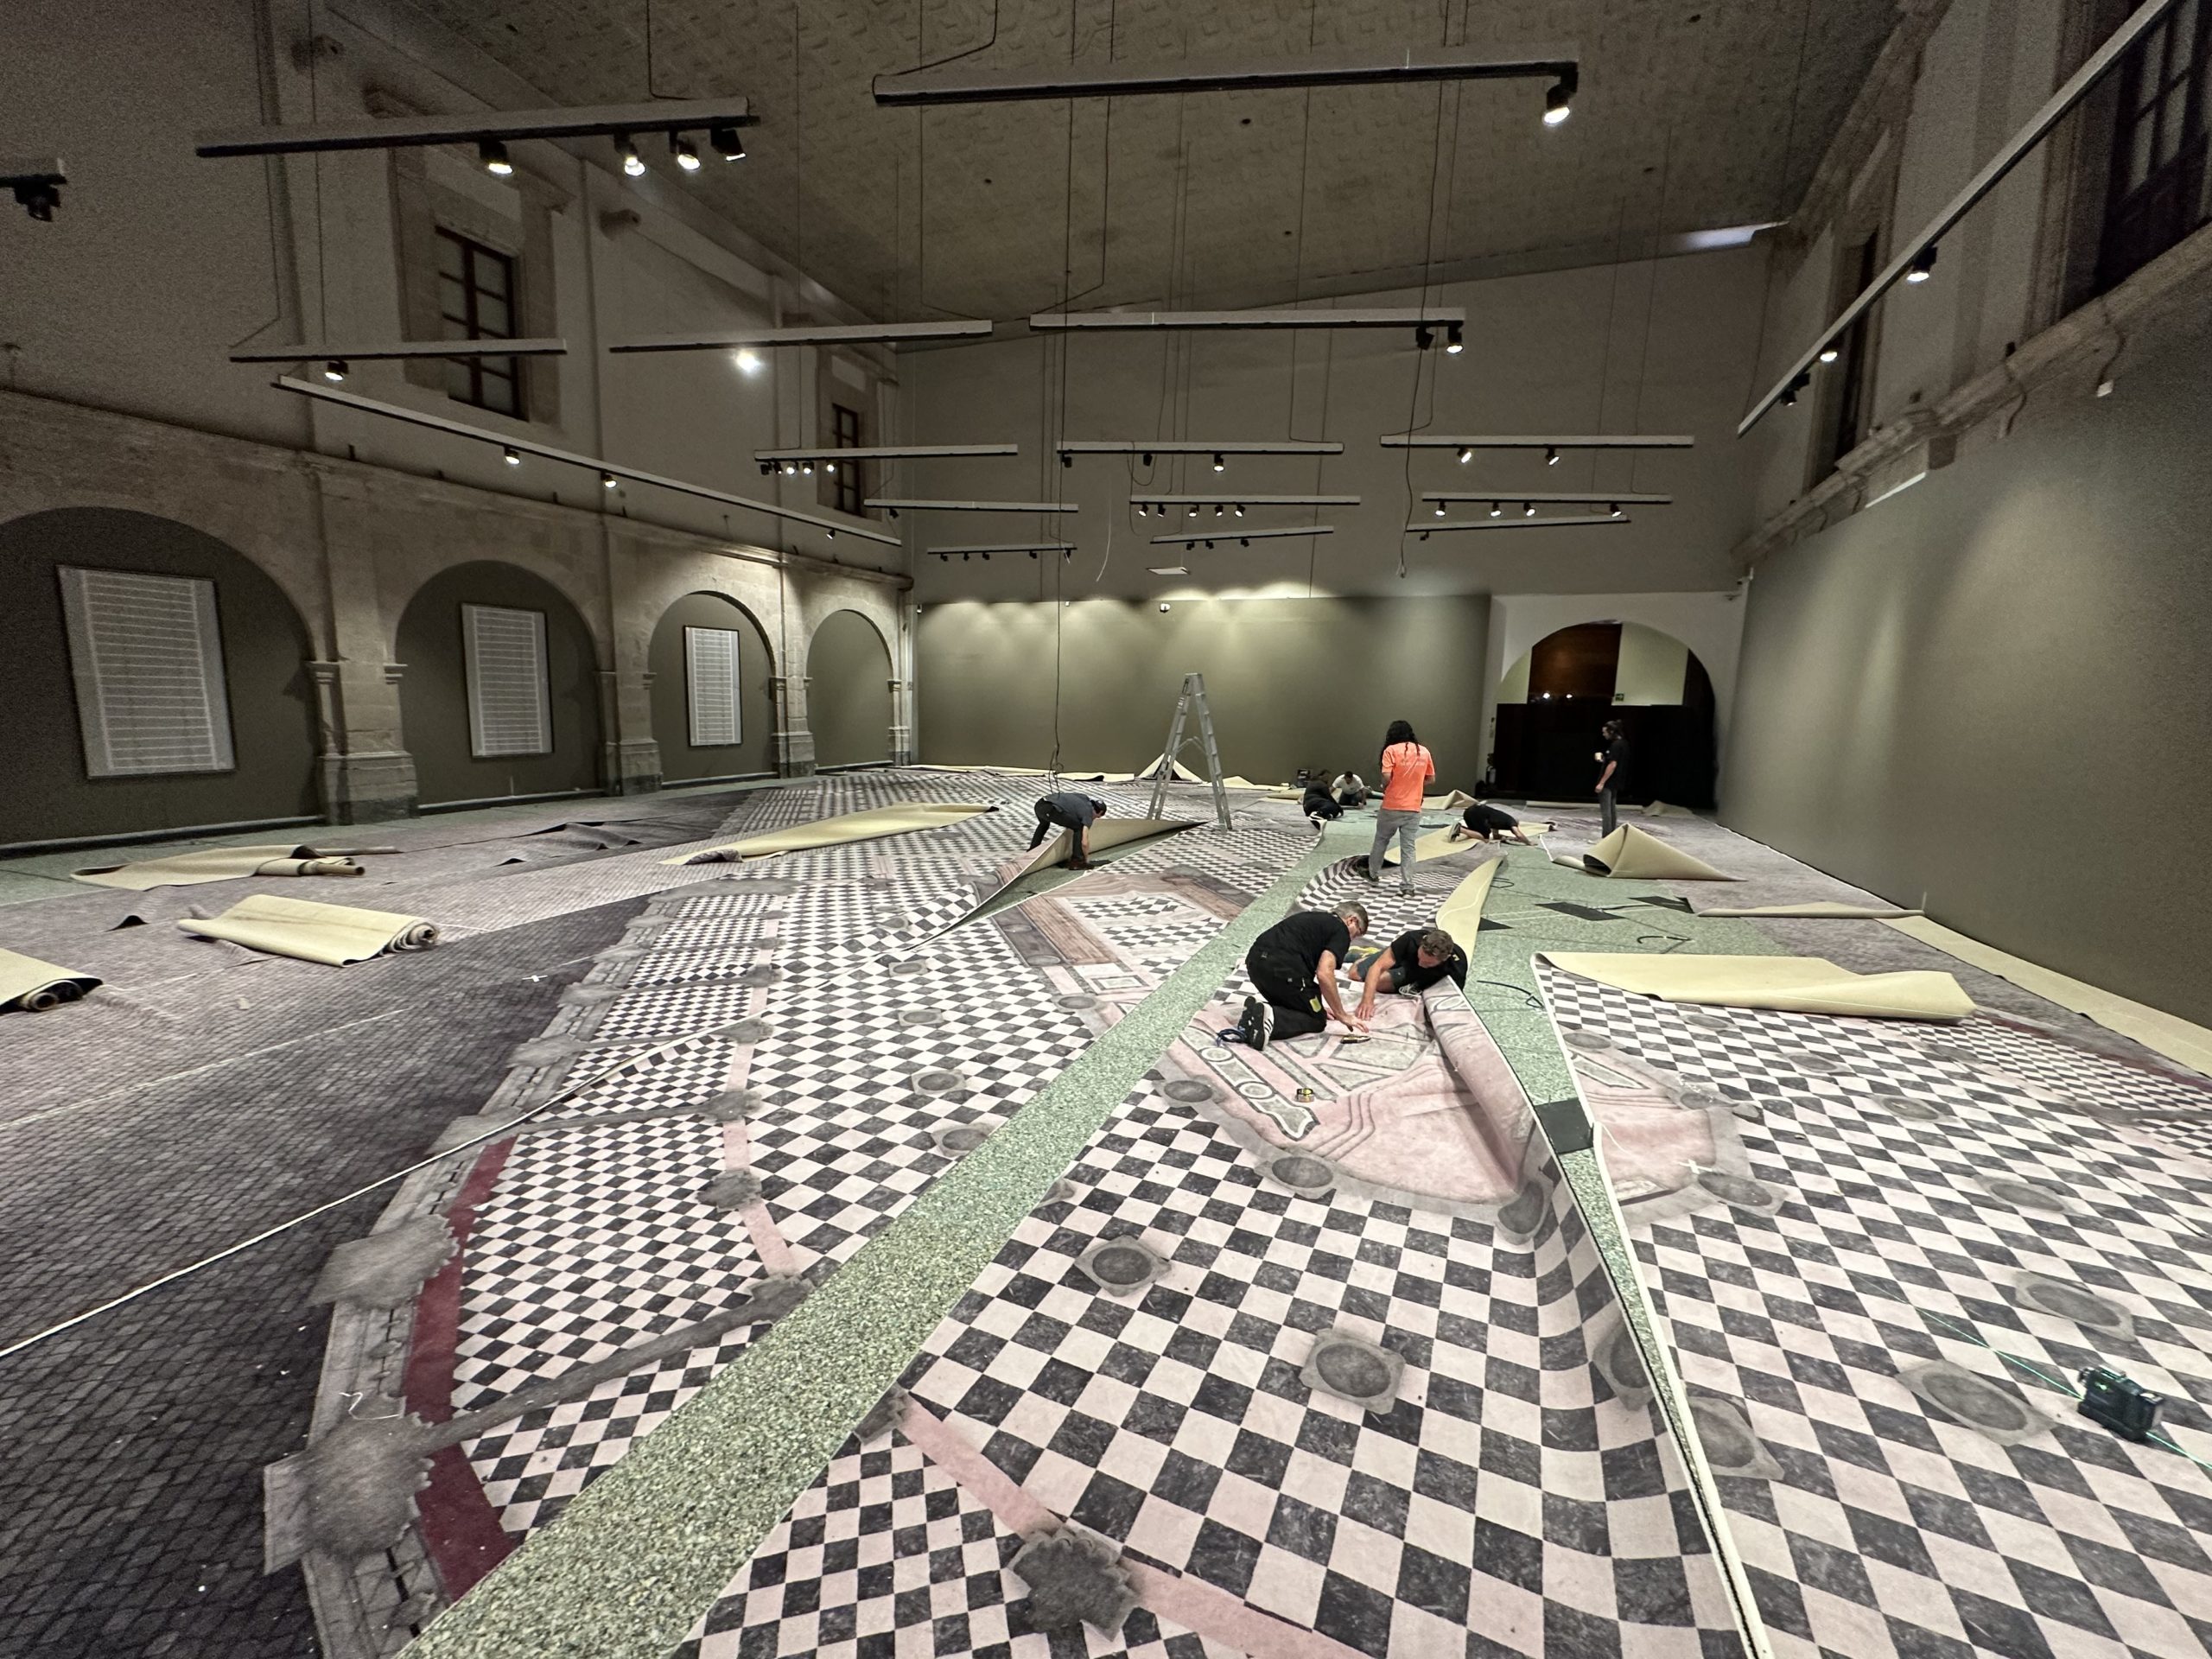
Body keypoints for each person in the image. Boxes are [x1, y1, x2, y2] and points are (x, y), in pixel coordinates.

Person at [1235, 901, 1370, 1049]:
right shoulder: (1341, 930)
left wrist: (1312, 1005)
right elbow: (1324, 973)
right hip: (1283, 970)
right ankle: (1274, 1017)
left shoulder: (1313, 918)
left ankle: (1254, 1015)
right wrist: (1342, 1014)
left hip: (1255, 965)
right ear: (1351, 920)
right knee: (1316, 1020)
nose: (1351, 940)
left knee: (1302, 1008)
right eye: (1356, 934)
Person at [1366, 720, 1434, 892]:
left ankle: (1373, 874)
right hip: (1413, 807)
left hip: (1391, 805)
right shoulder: (1423, 751)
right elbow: (1431, 779)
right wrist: (1414, 785)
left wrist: (1385, 786)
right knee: (1408, 848)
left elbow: (1386, 776)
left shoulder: (1390, 750)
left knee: (1381, 841)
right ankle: (1407, 885)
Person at [1353, 926, 1467, 1022]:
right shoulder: (1411, 939)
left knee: (1380, 983)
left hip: (1415, 974)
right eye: (1420, 957)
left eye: (1428, 963)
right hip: (1407, 962)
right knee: (1355, 975)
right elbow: (1377, 967)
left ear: (1445, 959)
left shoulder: (1457, 965)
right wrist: (1367, 1000)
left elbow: (1455, 1000)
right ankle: (1366, 955)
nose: (1421, 963)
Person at [1028, 791, 1109, 868]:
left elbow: (1069, 808)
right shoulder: (1088, 815)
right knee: (1079, 827)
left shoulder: (1084, 797)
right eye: (1098, 817)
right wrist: (1086, 859)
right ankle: (1077, 862)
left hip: (1040, 805)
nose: (1095, 819)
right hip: (1051, 809)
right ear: (1100, 812)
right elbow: (1084, 843)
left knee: (1043, 824)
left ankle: (1032, 850)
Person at [1448, 800, 1553, 845]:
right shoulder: (1511, 822)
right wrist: (1528, 842)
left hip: (1471, 811)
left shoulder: (1501, 819)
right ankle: (1460, 829)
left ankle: (1461, 829)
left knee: (1477, 832)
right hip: (1478, 814)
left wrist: (1508, 838)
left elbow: (1496, 835)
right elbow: (1519, 834)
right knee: (1485, 839)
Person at [1594, 721, 1628, 836]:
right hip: (1616, 781)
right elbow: (1614, 762)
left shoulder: (1615, 745)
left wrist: (1601, 782)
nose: (1604, 734)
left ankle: (1606, 836)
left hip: (1609, 782)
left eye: (1605, 732)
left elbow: (1613, 764)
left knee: (1606, 811)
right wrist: (1603, 760)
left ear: (1612, 731)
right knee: (1612, 809)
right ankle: (1612, 835)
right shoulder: (1624, 744)